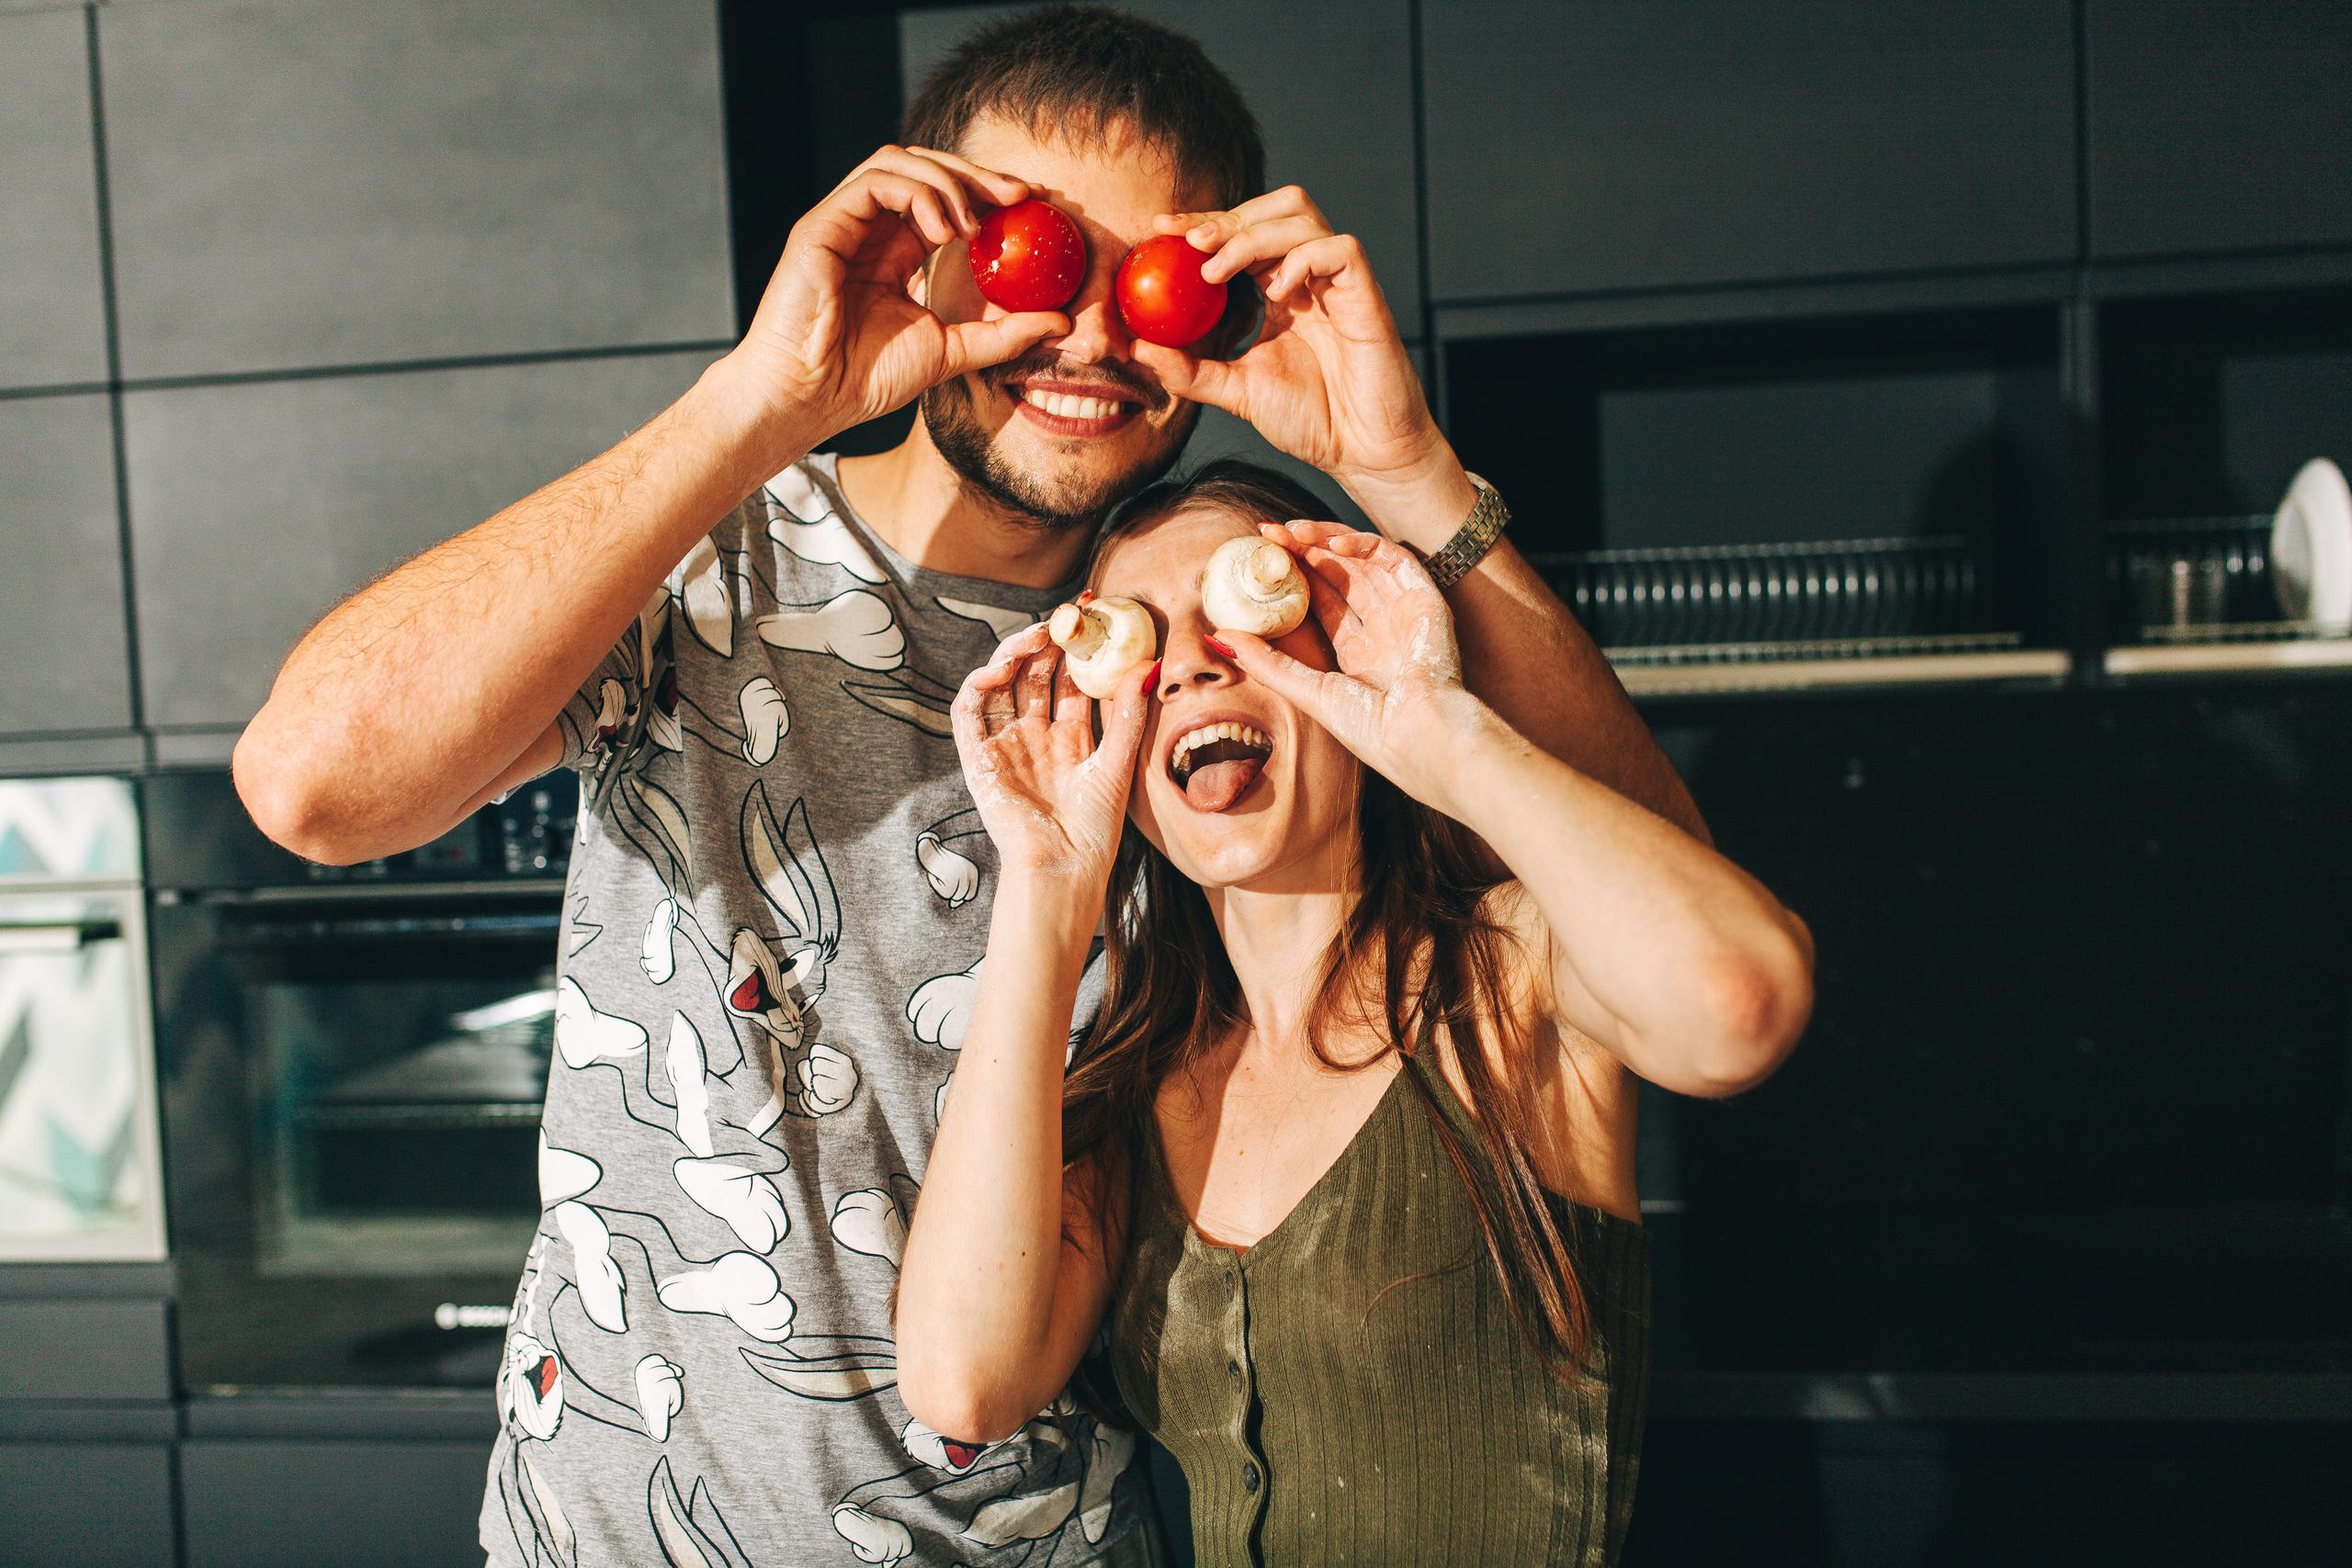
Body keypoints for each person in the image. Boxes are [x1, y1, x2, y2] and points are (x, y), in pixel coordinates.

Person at [230, 7, 1710, 1563]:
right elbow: (313, 788)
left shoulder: (1252, 662)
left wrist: (1410, 474)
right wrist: (764, 392)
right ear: (923, 250)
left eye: (1148, 284)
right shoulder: (706, 563)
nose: (1081, 338)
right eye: (1033, 261)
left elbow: (1671, 927)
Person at [898, 462, 1813, 1565]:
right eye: (1138, 643)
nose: (1186, 665)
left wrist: (1440, 731)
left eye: (1236, 612)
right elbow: (963, 1381)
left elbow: (1739, 1004)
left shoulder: (1506, 971)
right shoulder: (1141, 1087)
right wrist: (1046, 886)